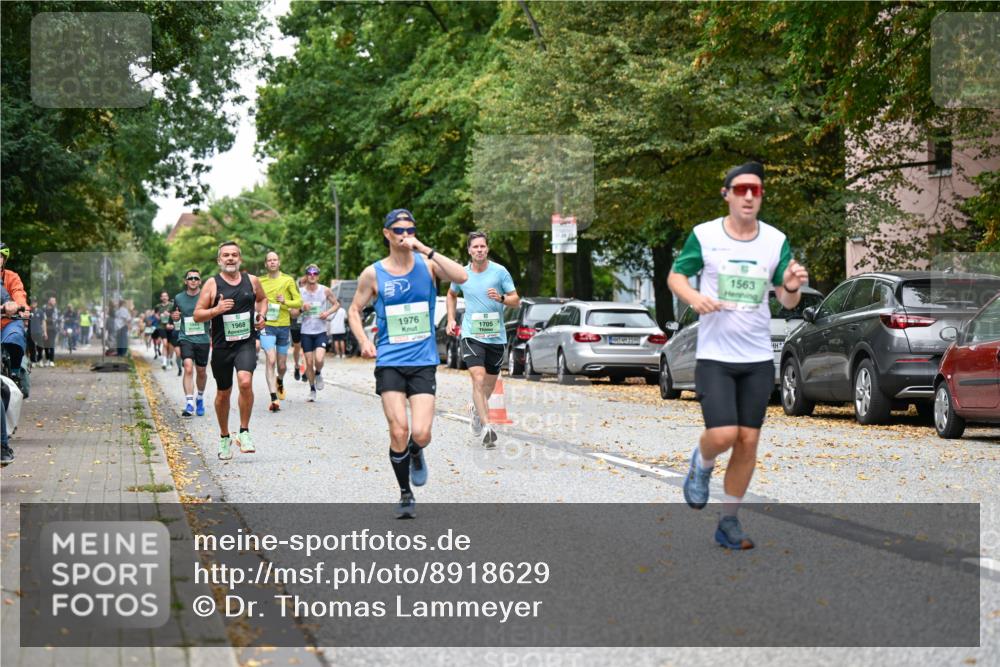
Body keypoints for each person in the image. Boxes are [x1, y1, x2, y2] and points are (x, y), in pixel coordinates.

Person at [667, 161, 809, 550]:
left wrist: (791, 286)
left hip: (757, 358)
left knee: (747, 440)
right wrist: (694, 298)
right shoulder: (705, 235)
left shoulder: (775, 241)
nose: (749, 196)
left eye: (755, 190)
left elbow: (787, 299)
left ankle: (728, 521)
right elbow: (677, 276)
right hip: (715, 355)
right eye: (741, 189)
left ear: (760, 197)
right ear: (726, 194)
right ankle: (702, 463)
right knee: (724, 434)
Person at [348, 208, 467, 518]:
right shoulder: (373, 273)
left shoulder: (428, 266)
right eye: (399, 230)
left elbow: (462, 277)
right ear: (387, 233)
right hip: (389, 360)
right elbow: (354, 310)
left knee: (421, 433)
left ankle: (416, 452)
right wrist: (363, 340)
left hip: (423, 360)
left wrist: (426, 249)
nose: (405, 235)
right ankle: (405, 493)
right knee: (399, 430)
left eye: (410, 230)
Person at [194, 241, 267, 460]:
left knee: (245, 382)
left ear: (239, 259)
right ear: (219, 260)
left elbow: (263, 299)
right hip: (222, 347)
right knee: (223, 393)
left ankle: (244, 432)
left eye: (234, 255)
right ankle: (225, 436)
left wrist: (261, 316)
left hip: (246, 342)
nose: (230, 258)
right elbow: (197, 315)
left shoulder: (251, 280)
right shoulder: (212, 284)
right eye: (226, 255)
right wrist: (216, 310)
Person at [446, 231, 519, 448]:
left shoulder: (500, 272)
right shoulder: (462, 274)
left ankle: (477, 412)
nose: (479, 250)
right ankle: (487, 427)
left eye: (483, 246)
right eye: (475, 247)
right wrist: (451, 319)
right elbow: (451, 294)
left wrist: (502, 298)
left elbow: (516, 300)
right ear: (469, 250)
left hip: (496, 336)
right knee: (477, 378)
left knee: (488, 384)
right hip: (471, 334)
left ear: (487, 249)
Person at [258, 252, 302, 412]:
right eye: (269, 260)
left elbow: (299, 302)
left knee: (282, 366)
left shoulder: (288, 280)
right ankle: (273, 398)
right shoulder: (260, 281)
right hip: (267, 326)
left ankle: (280, 380)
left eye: (275, 260)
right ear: (265, 264)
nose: (272, 262)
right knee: (270, 360)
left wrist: (285, 301)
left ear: (279, 262)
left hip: (283, 326)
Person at [172, 270, 211, 417]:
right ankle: (189, 403)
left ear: (200, 281)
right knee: (188, 367)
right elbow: (175, 316)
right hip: (186, 337)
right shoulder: (178, 298)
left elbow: (214, 313)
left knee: (201, 371)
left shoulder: (207, 296)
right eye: (190, 278)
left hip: (203, 339)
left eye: (196, 278)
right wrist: (175, 317)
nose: (193, 280)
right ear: (186, 281)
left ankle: (199, 397)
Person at [298, 264, 339, 402]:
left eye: (315, 273)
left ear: (318, 276)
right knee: (309, 363)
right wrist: (301, 309)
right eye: (309, 273)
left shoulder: (325, 290)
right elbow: (293, 312)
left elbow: (336, 304)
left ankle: (318, 373)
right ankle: (312, 389)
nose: (312, 275)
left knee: (319, 359)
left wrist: (327, 313)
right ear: (306, 276)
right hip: (306, 331)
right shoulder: (300, 292)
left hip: (320, 330)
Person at [153, 291, 176, 371]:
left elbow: (176, 314)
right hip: (161, 327)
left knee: (170, 345)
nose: (164, 297)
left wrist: (169, 315)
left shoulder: (172, 305)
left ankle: (169, 360)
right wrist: (159, 317)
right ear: (161, 298)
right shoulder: (158, 306)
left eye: (165, 296)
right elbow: (155, 313)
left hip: (170, 326)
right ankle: (164, 362)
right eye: (163, 296)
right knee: (165, 344)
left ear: (168, 297)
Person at [328, 291, 348, 359]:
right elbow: (345, 318)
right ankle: (343, 354)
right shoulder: (343, 310)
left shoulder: (332, 310)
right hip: (341, 328)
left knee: (336, 341)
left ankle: (337, 354)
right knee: (342, 341)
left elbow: (329, 318)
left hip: (334, 329)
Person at [41, 296, 58, 367]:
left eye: (54, 301)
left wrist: (46, 319)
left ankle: (52, 360)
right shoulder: (44, 308)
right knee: (46, 345)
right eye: (52, 300)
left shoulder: (55, 309)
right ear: (49, 301)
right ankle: (47, 359)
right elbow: (42, 318)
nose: (54, 302)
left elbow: (54, 319)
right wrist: (45, 320)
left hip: (52, 329)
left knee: (51, 344)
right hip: (44, 329)